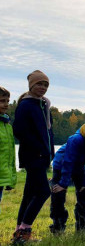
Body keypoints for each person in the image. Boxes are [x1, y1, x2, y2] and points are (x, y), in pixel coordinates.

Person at [12, 70, 55, 243]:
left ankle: (19, 234)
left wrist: (50, 152)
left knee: (29, 194)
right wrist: (38, 149)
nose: (43, 87)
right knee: (44, 192)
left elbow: (49, 131)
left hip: (43, 156)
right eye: (39, 84)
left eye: (45, 85)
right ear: (31, 85)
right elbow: (19, 131)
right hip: (33, 156)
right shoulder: (26, 105)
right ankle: (25, 230)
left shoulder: (44, 105)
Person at [0, 86, 17, 214]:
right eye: (2, 101)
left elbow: (10, 154)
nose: (6, 104)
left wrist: (10, 178)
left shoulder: (7, 125)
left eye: (7, 101)